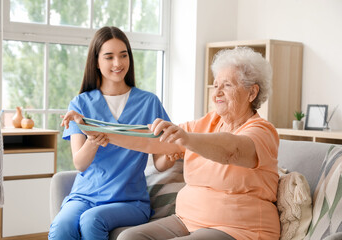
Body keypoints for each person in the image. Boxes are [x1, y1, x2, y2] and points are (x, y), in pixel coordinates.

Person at [62, 46, 280, 240]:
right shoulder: (206, 123)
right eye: (215, 85)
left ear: (252, 92)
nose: (217, 93)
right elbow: (152, 142)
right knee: (129, 237)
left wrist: (186, 138)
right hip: (188, 220)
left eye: (227, 85)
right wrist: (94, 128)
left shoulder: (262, 131)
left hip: (239, 228)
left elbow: (231, 149)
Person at [48, 26, 175, 240]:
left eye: (123, 55)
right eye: (109, 57)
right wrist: (92, 140)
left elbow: (159, 161)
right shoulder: (80, 104)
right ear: (96, 61)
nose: (118, 63)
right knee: (61, 226)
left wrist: (170, 157)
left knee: (92, 220)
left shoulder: (149, 103)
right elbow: (80, 163)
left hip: (129, 201)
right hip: (84, 196)